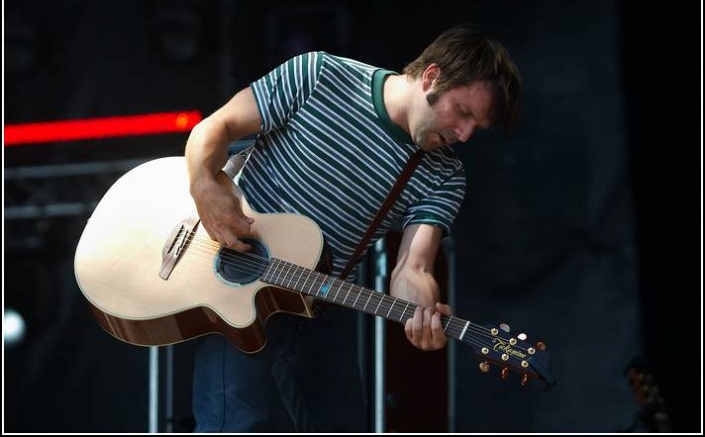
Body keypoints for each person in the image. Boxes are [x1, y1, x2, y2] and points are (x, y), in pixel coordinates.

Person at [184, 23, 521, 432]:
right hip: (236, 283)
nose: (464, 135)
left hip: (319, 304)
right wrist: (204, 186)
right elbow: (213, 129)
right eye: (463, 113)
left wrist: (424, 311)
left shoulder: (444, 175)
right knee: (234, 426)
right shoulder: (318, 75)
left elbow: (412, 269)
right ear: (432, 77)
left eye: (475, 128)